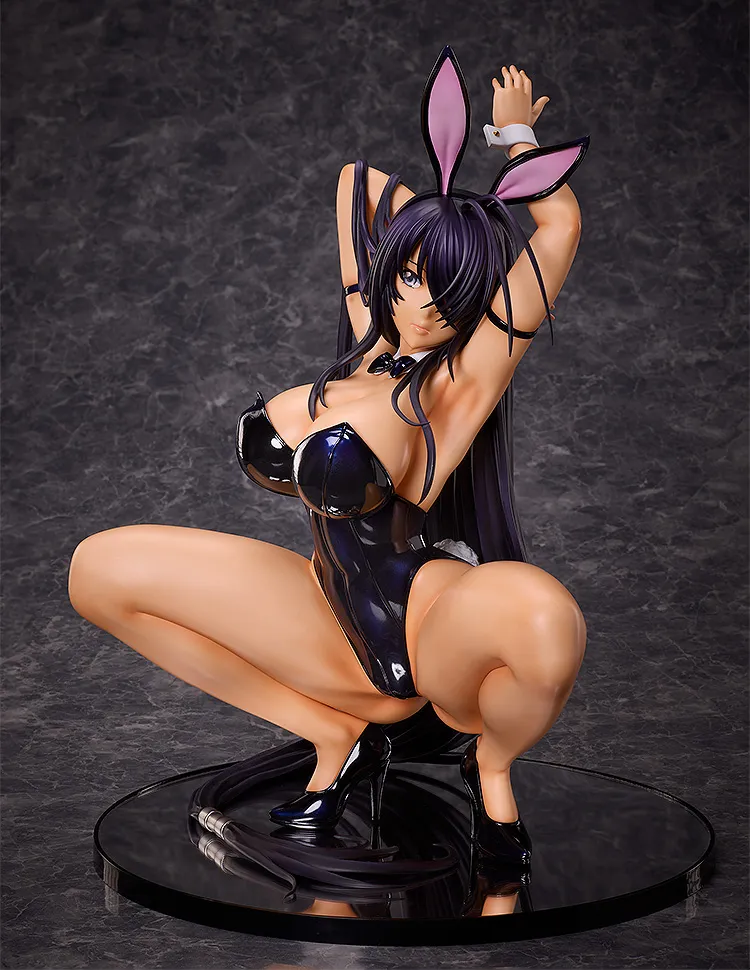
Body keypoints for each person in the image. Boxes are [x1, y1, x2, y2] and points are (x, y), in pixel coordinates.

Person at [68, 48, 589, 890]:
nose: (423, 308)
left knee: (544, 621)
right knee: (97, 573)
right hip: (328, 605)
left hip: (416, 622)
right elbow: (356, 183)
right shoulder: (367, 338)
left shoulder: (458, 384)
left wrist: (514, 142)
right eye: (410, 279)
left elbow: (557, 230)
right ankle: (330, 734)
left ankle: (491, 776)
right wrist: (443, 219)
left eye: (450, 296)